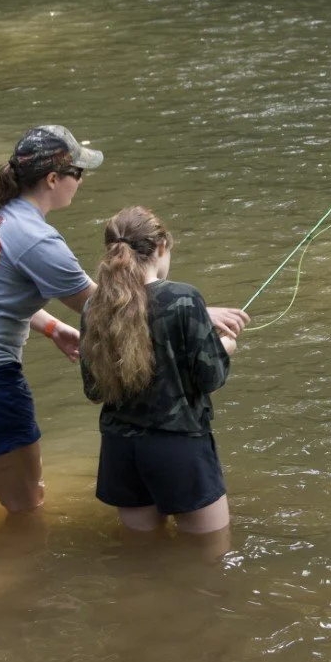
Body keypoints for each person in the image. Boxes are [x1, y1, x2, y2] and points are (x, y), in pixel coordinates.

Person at [0, 126, 249, 517]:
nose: (81, 182)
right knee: (26, 506)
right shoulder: (39, 240)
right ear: (53, 179)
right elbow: (114, 306)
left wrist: (52, 328)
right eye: (78, 173)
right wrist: (199, 313)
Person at [79, 206, 244, 550]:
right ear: (161, 247)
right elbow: (210, 378)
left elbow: (94, 389)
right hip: (179, 448)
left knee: (142, 556)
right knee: (210, 556)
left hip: (120, 452)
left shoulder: (92, 307)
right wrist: (224, 347)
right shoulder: (184, 298)